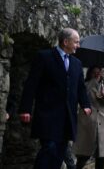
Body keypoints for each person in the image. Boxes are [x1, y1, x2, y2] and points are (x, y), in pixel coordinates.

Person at [18, 27, 92, 169]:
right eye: (76, 42)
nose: (78, 45)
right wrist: (25, 109)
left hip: (67, 117)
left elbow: (80, 87)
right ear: (65, 42)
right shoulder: (44, 57)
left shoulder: (76, 64)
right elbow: (31, 84)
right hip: (48, 114)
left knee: (59, 151)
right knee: (49, 148)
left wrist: (86, 104)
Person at [73, 66, 104, 169]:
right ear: (90, 74)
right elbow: (81, 98)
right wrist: (94, 83)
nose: (97, 74)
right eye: (94, 72)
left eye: (99, 72)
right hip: (88, 123)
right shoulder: (85, 86)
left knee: (101, 154)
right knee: (84, 153)